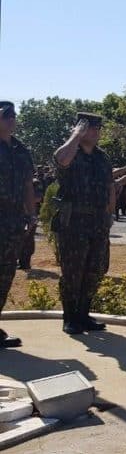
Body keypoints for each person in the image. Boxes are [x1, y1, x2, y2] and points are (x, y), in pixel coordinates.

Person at [53, 113, 126, 335]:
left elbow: (109, 187)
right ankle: (70, 317)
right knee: (73, 271)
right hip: (73, 223)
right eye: (90, 128)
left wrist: (110, 215)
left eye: (97, 128)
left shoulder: (102, 158)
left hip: (98, 223)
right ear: (79, 128)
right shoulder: (70, 152)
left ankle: (84, 314)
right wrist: (76, 135)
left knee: (96, 269)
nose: (95, 132)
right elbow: (61, 160)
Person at [0, 101, 34, 349]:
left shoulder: (21, 150)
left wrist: (31, 215)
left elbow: (27, 185)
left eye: (13, 115)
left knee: (6, 274)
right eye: (5, 115)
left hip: (12, 222)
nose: (11, 119)